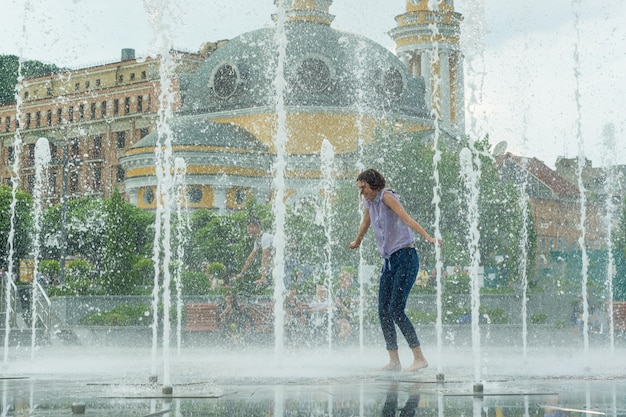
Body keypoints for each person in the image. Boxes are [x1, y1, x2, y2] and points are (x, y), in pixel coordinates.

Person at [348, 168, 442, 372]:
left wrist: (428, 237)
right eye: (360, 188)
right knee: (383, 310)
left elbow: (406, 218)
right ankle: (394, 361)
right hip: (390, 261)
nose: (361, 192)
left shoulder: (386, 197)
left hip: (406, 258)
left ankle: (419, 358)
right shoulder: (369, 202)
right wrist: (357, 241)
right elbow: (366, 222)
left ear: (373, 184)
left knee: (396, 310)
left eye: (363, 187)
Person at [236, 216, 273, 287]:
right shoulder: (258, 241)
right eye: (248, 227)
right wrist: (242, 273)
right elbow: (250, 258)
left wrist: (263, 278)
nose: (248, 229)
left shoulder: (265, 238)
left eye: (251, 227)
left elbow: (265, 257)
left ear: (258, 227)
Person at [335, 268, 356, 342]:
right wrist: (344, 309)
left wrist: (357, 301)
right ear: (342, 282)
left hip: (344, 316)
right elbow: (337, 301)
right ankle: (337, 339)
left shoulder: (346, 292)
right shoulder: (340, 291)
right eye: (348, 281)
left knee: (343, 330)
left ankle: (339, 346)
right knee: (348, 329)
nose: (350, 283)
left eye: (350, 281)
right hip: (340, 315)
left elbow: (350, 300)